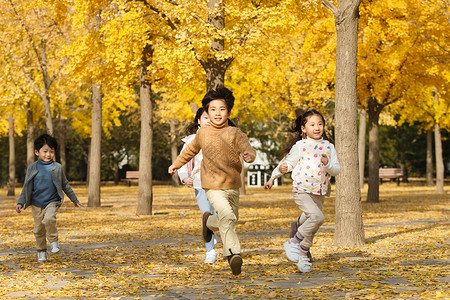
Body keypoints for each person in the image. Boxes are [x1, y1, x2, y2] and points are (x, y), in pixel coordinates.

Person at [168, 87, 256, 275]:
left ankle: (208, 222)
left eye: (222, 109)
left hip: (232, 184)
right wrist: (176, 165)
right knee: (228, 217)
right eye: (213, 109)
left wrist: (249, 155)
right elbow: (189, 151)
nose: (217, 113)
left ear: (229, 112)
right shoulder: (203, 134)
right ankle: (233, 254)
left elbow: (247, 147)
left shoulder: (235, 133)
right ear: (206, 113)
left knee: (230, 220)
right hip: (212, 184)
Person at [264, 110, 340, 273]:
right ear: (303, 128)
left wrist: (327, 164)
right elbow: (288, 163)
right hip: (302, 190)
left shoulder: (329, 146)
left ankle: (303, 255)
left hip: (319, 191)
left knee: (310, 224)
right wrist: (274, 176)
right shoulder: (300, 146)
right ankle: (294, 242)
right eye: (312, 124)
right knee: (317, 218)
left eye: (320, 124)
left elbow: (336, 170)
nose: (317, 127)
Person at [16, 134, 83, 262]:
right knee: (38, 230)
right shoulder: (32, 168)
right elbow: (26, 186)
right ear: (37, 152)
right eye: (45, 151)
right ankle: (41, 251)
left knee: (49, 218)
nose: (48, 154)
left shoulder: (57, 168)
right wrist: (21, 202)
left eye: (51, 152)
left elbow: (65, 185)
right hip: (36, 204)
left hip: (52, 201)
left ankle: (54, 241)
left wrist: (75, 200)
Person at [177, 107, 218, 264]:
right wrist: (184, 177)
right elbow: (182, 160)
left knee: (221, 215)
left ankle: (218, 237)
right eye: (205, 117)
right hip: (200, 183)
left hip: (220, 184)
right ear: (199, 121)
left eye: (211, 117)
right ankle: (210, 251)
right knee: (206, 215)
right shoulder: (191, 141)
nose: (209, 120)